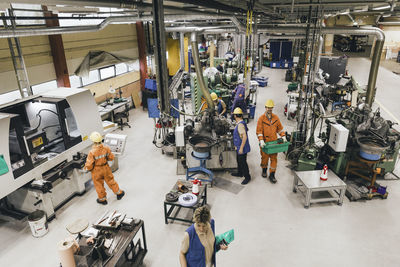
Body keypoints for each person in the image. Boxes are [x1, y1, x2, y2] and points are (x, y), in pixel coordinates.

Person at [84, 131, 125, 204]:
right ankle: (119, 193)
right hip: (105, 168)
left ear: (93, 141)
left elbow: (89, 165)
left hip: (96, 170)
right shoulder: (106, 148)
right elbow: (111, 158)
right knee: (111, 181)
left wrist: (89, 169)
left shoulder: (91, 152)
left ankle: (102, 199)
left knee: (98, 184)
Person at [256, 99, 286, 183]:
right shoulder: (261, 119)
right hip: (265, 143)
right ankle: (264, 170)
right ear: (265, 108)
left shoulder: (276, 118)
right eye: (268, 108)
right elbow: (259, 131)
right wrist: (261, 140)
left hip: (273, 143)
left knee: (274, 159)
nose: (269, 109)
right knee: (264, 158)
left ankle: (272, 175)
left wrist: (283, 136)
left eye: (271, 108)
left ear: (272, 108)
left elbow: (279, 129)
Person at [231, 107, 251, 185]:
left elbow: (244, 136)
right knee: (239, 160)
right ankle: (240, 173)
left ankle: (247, 177)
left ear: (235, 116)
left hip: (242, 147)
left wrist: (241, 148)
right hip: (239, 146)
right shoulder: (241, 123)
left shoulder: (240, 125)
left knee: (243, 162)